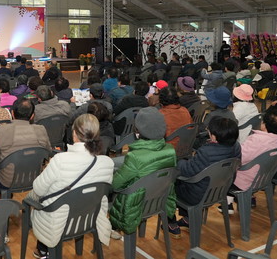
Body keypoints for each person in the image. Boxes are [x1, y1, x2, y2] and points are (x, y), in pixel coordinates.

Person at [27, 114, 114, 259]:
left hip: (59, 220)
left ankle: (43, 250)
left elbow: (38, 189)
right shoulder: (107, 163)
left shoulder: (60, 160)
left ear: (74, 133)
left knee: (36, 198)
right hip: (89, 217)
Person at [109, 107, 177, 236]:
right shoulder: (171, 150)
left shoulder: (135, 157)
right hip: (159, 200)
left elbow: (116, 185)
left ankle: (112, 227)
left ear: (138, 132)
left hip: (134, 206)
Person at [174, 117, 241, 229]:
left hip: (199, 195)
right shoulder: (237, 147)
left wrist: (179, 161)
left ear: (214, 136)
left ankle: (171, 223)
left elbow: (186, 171)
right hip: (220, 190)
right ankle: (188, 218)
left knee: (171, 184)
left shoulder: (206, 152)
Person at [227, 109, 277, 213]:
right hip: (264, 178)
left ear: (264, 125)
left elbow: (239, 158)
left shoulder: (257, 140)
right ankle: (249, 198)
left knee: (225, 173)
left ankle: (228, 203)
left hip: (244, 181)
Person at [0, 99, 51, 190]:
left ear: (12, 113)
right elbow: (48, 152)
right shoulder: (41, 129)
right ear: (32, 116)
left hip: (7, 181)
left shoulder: (2, 130)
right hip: (35, 178)